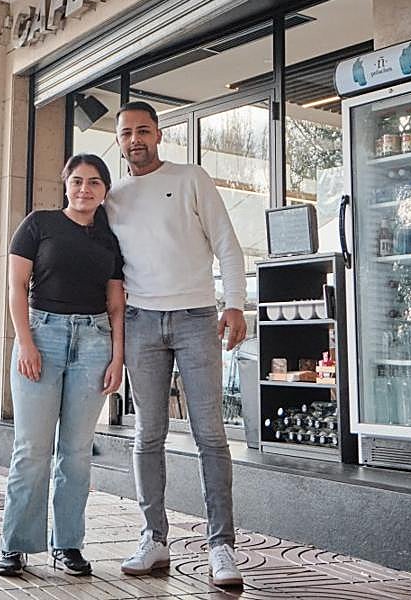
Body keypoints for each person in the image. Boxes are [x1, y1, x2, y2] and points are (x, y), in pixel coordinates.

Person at [105, 100, 247, 588]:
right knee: (148, 436)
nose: (135, 140)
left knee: (211, 435)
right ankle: (154, 538)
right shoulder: (113, 198)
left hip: (195, 319)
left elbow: (227, 244)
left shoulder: (192, 179)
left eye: (143, 131)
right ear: (119, 140)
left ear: (159, 134)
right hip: (142, 322)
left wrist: (234, 304)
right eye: (126, 133)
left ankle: (222, 546)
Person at [0, 154, 126, 578]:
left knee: (76, 453)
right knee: (31, 449)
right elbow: (16, 288)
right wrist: (26, 342)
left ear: (105, 190)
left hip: (93, 342)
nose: (84, 189)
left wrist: (117, 357)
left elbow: (116, 304)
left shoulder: (110, 240)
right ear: (65, 184)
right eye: (77, 181)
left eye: (94, 182)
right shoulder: (39, 224)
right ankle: (14, 545)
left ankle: (68, 544)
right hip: (43, 336)